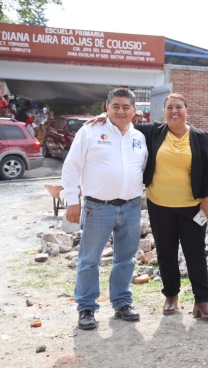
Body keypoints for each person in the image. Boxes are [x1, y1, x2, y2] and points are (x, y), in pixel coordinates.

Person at [61, 88, 148, 330]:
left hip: (131, 207)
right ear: (106, 108)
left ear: (134, 111)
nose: (121, 110)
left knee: (125, 259)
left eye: (126, 106)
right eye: (116, 106)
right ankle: (86, 307)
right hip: (97, 208)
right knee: (89, 259)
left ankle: (121, 302)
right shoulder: (90, 131)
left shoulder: (138, 137)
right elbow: (71, 167)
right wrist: (72, 200)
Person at [136, 93, 208, 319]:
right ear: (164, 111)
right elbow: (122, 121)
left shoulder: (200, 137)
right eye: (170, 107)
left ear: (186, 110)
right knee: (165, 252)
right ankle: (171, 295)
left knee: (195, 253)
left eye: (179, 107)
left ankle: (203, 300)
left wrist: (207, 196)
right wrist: (103, 117)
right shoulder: (153, 132)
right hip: (159, 204)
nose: (174, 111)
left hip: (192, 207)